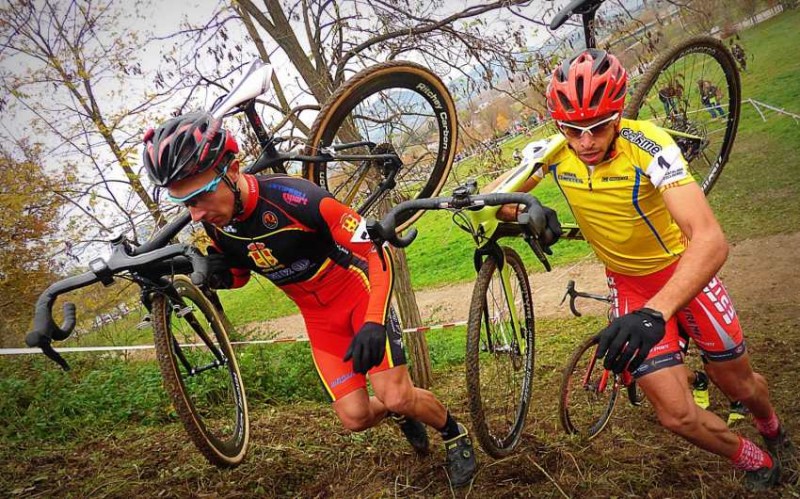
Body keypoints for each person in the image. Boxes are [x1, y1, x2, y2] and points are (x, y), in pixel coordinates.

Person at [486, 49, 794, 491]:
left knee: (739, 385)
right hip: (629, 284)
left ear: (618, 116)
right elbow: (492, 202)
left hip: (686, 275)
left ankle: (771, 428)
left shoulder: (647, 143)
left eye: (598, 128)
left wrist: (657, 313)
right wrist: (524, 209)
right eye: (573, 130)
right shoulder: (554, 149)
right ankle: (756, 460)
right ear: (560, 126)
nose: (586, 142)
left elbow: (711, 239)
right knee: (675, 414)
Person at [141, 111, 477, 487]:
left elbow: (374, 252)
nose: (195, 212)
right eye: (184, 202)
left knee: (395, 394)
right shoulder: (215, 224)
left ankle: (454, 433)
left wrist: (372, 321)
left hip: (359, 296)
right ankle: (403, 413)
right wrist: (207, 272)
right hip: (319, 321)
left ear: (232, 170)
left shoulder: (297, 198)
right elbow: (238, 276)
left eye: (200, 195)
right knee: (355, 417)